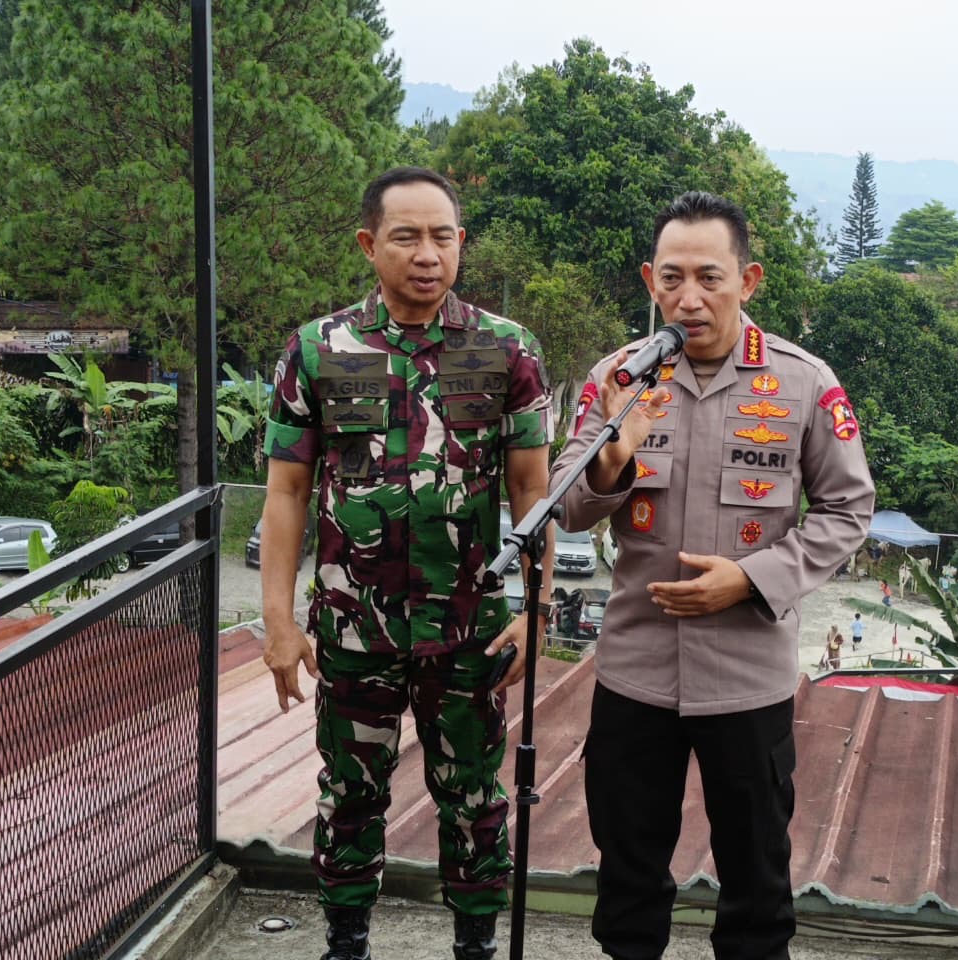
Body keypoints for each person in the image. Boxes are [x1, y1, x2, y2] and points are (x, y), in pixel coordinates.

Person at [550, 191, 874, 960]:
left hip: (747, 680)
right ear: (649, 281)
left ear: (748, 280)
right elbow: (564, 507)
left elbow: (847, 509)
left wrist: (752, 579)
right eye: (671, 279)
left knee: (756, 884)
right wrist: (614, 454)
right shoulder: (618, 378)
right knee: (628, 877)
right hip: (634, 671)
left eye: (709, 278)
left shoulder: (803, 383)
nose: (688, 299)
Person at [259, 166, 555, 960]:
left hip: (469, 630)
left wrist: (536, 610)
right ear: (369, 244)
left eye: (443, 236)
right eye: (407, 237)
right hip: (354, 629)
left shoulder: (507, 348)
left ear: (461, 242)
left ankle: (475, 947)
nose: (428, 254)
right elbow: (286, 493)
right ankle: (346, 944)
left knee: (474, 799)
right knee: (349, 797)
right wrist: (279, 625)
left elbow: (532, 491)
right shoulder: (317, 350)